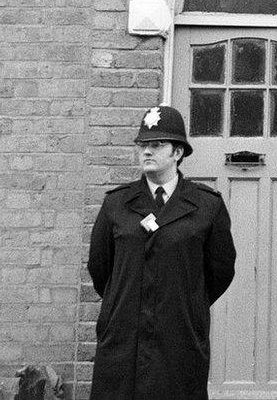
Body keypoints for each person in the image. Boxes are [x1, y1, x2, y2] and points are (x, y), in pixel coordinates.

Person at [88, 105, 236, 400]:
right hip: (124, 334)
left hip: (179, 334)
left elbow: (220, 270)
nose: (147, 152)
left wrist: (188, 302)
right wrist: (127, 299)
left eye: (157, 145)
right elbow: (99, 266)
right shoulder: (117, 204)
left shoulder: (207, 206)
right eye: (143, 145)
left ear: (177, 153)